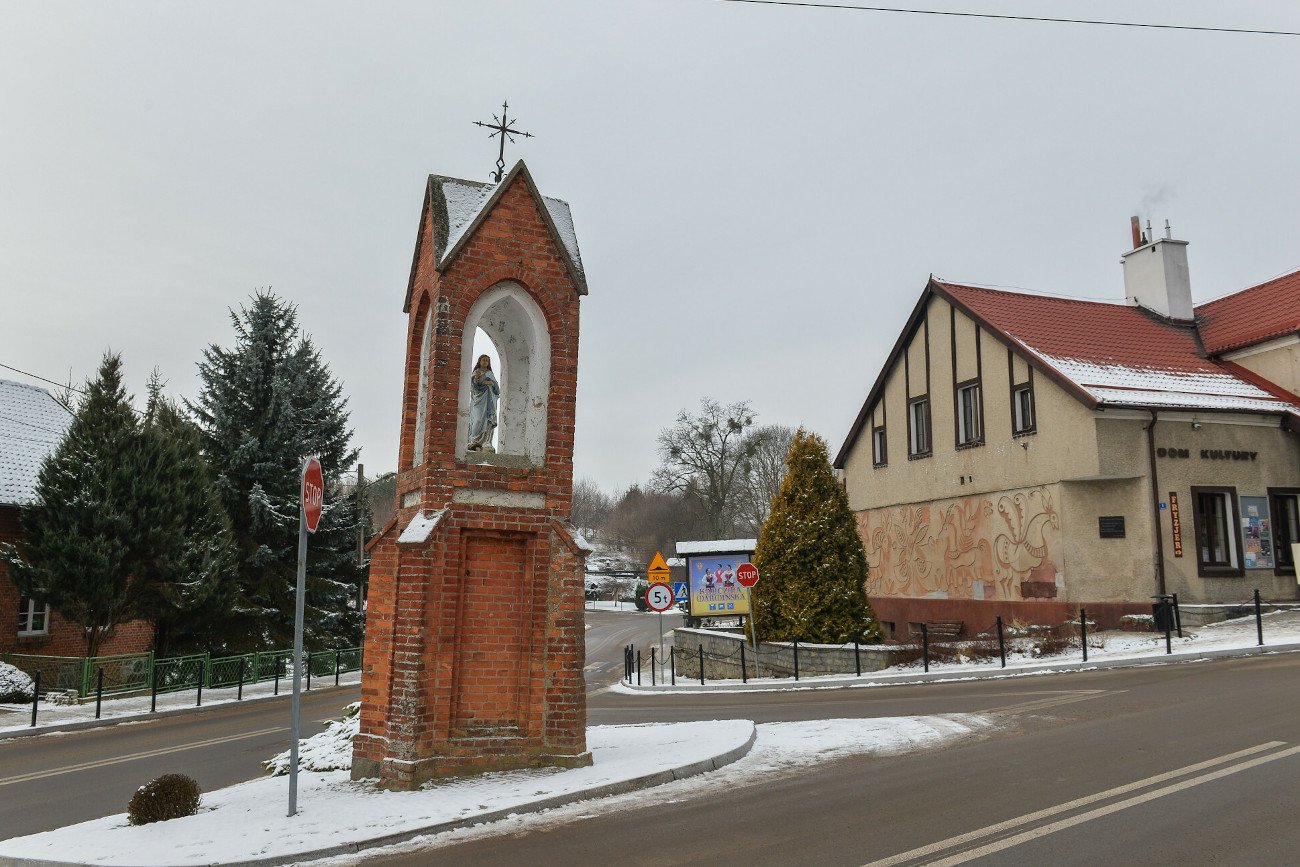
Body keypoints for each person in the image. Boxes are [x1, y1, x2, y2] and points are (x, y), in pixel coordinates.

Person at [467, 354, 500, 451]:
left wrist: (491, 383)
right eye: (483, 360)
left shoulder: (490, 373)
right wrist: (480, 381)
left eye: (487, 360)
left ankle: (485, 442)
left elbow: (497, 389)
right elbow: (473, 386)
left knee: (488, 421)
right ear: (479, 362)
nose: (485, 362)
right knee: (477, 420)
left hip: (489, 400)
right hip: (478, 400)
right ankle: (474, 441)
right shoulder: (476, 372)